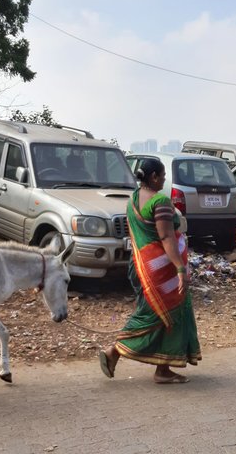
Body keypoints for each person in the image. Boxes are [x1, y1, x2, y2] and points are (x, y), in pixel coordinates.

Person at [98, 158, 201, 384]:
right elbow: (165, 237)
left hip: (141, 267)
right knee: (156, 315)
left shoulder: (133, 199)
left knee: (165, 315)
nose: (164, 180)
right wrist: (180, 268)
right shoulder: (160, 201)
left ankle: (163, 369)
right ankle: (114, 352)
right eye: (163, 176)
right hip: (161, 271)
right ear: (154, 177)